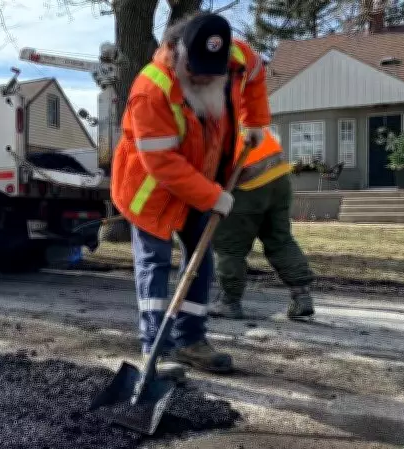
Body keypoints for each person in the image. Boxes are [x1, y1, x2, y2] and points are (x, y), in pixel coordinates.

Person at [110, 12, 239, 376]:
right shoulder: (150, 90)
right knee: (155, 263)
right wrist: (212, 196)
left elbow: (218, 138)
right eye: (196, 68)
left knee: (201, 260)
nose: (202, 76)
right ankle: (155, 348)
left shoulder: (216, 74)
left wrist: (254, 135)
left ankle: (191, 341)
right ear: (177, 52)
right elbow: (163, 162)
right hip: (149, 192)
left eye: (210, 70)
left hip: (196, 188)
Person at [207, 28, 316, 321]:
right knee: (279, 238)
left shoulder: (216, 114)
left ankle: (229, 301)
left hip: (247, 184)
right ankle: (301, 295)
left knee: (229, 245)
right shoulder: (244, 106)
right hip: (279, 178)